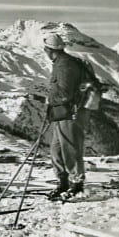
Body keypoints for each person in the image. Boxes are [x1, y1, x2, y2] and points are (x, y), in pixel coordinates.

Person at [42, 33, 91, 200]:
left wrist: (49, 100)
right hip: (62, 112)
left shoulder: (64, 65)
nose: (45, 51)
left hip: (70, 112)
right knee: (56, 148)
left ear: (50, 49)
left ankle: (76, 184)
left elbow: (64, 94)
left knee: (70, 148)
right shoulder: (61, 63)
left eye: (46, 49)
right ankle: (62, 182)